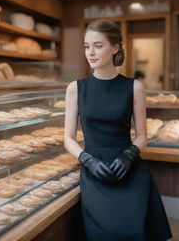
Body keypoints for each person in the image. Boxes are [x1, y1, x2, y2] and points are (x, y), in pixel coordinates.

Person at [64, 20, 172, 241]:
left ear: (115, 48)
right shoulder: (75, 88)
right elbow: (68, 138)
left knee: (134, 233)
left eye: (98, 45)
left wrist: (129, 155)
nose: (90, 52)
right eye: (86, 46)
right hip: (94, 173)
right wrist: (87, 159)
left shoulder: (134, 87)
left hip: (130, 171)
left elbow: (142, 135)